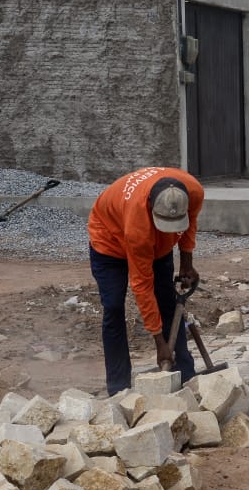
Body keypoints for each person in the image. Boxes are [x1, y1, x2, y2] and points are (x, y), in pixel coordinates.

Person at [87, 167, 204, 396]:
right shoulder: (137, 225)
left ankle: (184, 374)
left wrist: (186, 262)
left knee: (169, 302)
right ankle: (118, 387)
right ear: (150, 207)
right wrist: (159, 343)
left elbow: (190, 224)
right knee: (113, 307)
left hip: (157, 243)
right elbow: (142, 286)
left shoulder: (194, 191)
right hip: (109, 243)